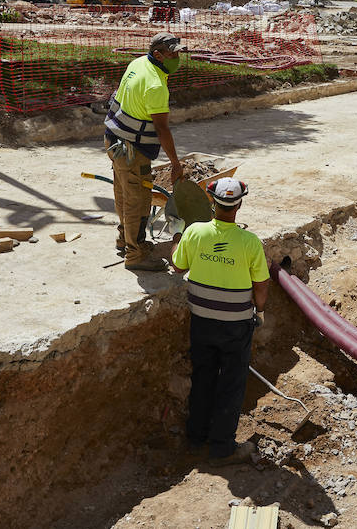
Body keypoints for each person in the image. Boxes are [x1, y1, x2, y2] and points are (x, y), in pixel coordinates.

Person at [170, 177, 270, 463]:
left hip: (201, 322)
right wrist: (259, 310)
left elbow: (177, 266)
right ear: (238, 205)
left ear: (212, 202)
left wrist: (178, 240)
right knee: (231, 383)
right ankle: (222, 448)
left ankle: (196, 437)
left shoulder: (195, 232)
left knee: (203, 377)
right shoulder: (250, 242)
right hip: (235, 326)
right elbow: (261, 287)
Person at [103, 32, 186, 271]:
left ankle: (126, 238)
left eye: (179, 53)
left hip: (114, 139)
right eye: (172, 54)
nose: (177, 58)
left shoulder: (138, 62)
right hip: (131, 148)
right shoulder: (156, 85)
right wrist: (176, 164)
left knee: (123, 192)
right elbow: (162, 129)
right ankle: (136, 255)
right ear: (158, 54)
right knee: (138, 201)